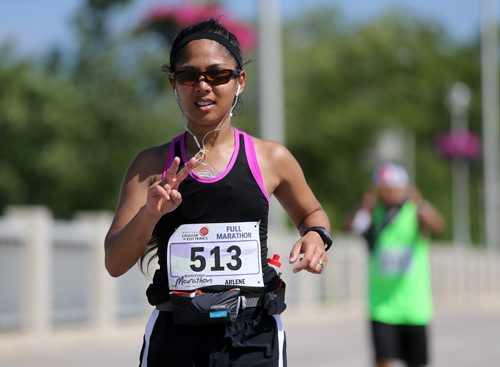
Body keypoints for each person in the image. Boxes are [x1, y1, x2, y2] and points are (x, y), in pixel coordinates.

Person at [104, 18, 332, 367]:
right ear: (173, 84)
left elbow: (312, 215)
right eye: (188, 76)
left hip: (254, 336)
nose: (202, 86)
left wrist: (316, 237)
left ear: (240, 81)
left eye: (217, 74)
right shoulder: (150, 164)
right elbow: (115, 262)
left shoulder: (272, 158)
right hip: (175, 335)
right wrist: (150, 213)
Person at [347, 162, 445, 367]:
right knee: (382, 359)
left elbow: (438, 225)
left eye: (392, 188)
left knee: (417, 362)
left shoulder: (415, 213)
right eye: (383, 188)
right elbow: (350, 227)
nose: (389, 193)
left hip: (414, 306)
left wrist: (419, 202)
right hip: (382, 306)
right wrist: (364, 206)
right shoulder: (374, 214)